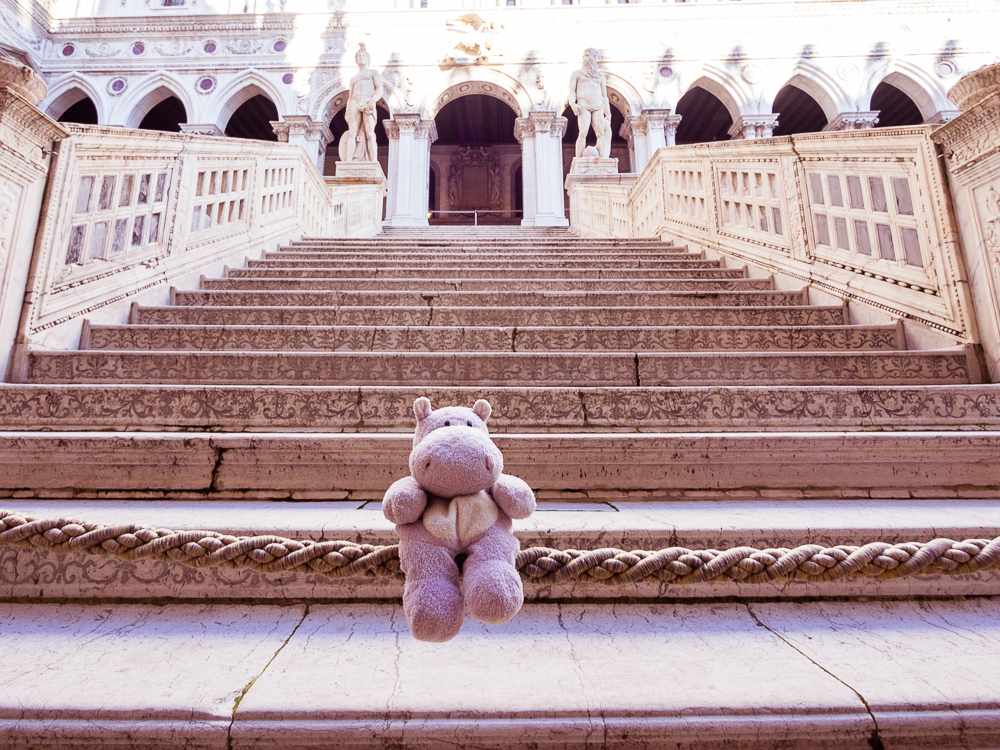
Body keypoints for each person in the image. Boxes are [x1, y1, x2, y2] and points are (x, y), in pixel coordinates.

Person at [568, 48, 612, 159]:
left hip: (598, 106)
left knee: (600, 133)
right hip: (583, 105)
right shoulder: (577, 74)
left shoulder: (600, 77)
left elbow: (604, 96)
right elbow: (572, 91)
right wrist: (573, 103)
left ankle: (603, 158)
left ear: (595, 59)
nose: (588, 58)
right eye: (586, 55)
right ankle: (579, 159)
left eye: (591, 55)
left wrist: (608, 112)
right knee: (583, 132)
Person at [345, 44, 382, 162]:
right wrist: (347, 111)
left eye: (363, 55)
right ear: (356, 60)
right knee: (352, 133)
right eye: (359, 56)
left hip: (367, 101)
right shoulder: (353, 79)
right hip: (355, 102)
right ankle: (348, 161)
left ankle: (373, 161)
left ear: (368, 59)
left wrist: (373, 100)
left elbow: (379, 88)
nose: (361, 57)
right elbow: (350, 97)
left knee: (370, 133)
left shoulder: (373, 73)